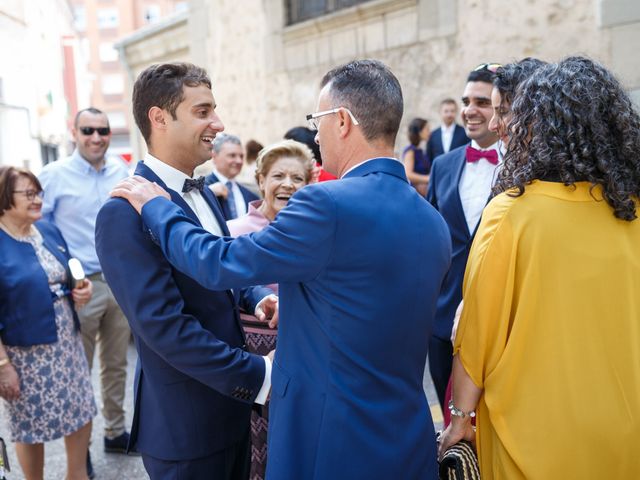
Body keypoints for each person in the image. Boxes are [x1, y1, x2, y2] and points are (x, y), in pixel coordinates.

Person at [112, 59, 451, 479]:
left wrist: (158, 209)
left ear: (341, 121)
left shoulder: (326, 204)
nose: (315, 131)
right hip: (405, 436)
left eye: (318, 120)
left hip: (329, 439)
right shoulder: (433, 221)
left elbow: (218, 263)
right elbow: (364, 304)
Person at [438, 56, 640, 479]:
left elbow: (477, 337)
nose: (497, 125)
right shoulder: (633, 212)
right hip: (626, 427)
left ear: (542, 125)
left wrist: (459, 418)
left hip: (529, 433)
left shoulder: (511, 215)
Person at [95, 62, 277, 480]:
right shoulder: (122, 214)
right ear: (159, 118)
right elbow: (165, 328)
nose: (219, 123)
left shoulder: (203, 191)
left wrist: (256, 296)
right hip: (186, 428)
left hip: (233, 411)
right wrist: (260, 374)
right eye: (203, 111)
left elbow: (218, 267)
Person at [38, 108, 132, 463]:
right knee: (78, 370)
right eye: (88, 130)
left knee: (117, 362)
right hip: (78, 286)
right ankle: (81, 452)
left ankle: (114, 432)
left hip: (119, 282)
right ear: (74, 132)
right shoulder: (53, 176)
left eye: (103, 130)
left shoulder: (122, 171)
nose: (96, 137)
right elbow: (38, 230)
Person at [0, 166, 96, 480]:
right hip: (25, 355)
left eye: (39, 192)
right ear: (4, 198)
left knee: (81, 410)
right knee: (29, 427)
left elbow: (67, 273)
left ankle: (77, 475)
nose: (38, 199)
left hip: (67, 344)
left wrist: (79, 291)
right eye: (28, 194)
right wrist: (3, 365)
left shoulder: (48, 230)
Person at [227, 139, 315, 480]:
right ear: (261, 180)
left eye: (298, 178)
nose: (288, 185)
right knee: (253, 444)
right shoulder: (234, 232)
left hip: (306, 349)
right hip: (250, 351)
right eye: (278, 175)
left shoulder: (314, 234)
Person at [426, 63, 501, 411]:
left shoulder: (524, 166)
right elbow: (428, 237)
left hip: (499, 321)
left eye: (482, 102)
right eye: (466, 100)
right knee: (449, 423)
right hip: (441, 321)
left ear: (503, 108)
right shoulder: (442, 165)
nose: (470, 110)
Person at [205, 133, 259, 220]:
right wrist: (208, 193)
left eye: (241, 156)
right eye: (232, 155)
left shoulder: (251, 196)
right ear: (214, 156)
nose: (239, 161)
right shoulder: (202, 188)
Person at [402, 117, 431, 196]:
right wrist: (428, 178)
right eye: (427, 129)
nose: (429, 132)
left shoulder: (421, 150)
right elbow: (408, 174)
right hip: (416, 194)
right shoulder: (410, 151)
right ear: (420, 132)